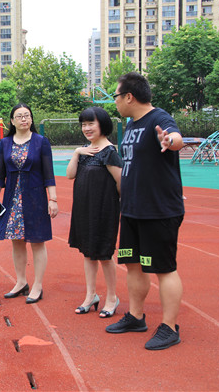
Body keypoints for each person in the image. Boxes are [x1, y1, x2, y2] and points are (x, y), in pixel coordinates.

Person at [105, 72, 185, 350]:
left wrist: (170, 141)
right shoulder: (130, 125)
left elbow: (175, 137)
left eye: (116, 96)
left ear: (129, 96)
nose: (115, 101)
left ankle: (170, 327)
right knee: (133, 265)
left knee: (164, 269)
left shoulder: (158, 118)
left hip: (158, 210)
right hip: (132, 209)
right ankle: (136, 317)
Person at [0, 103, 59, 304]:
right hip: (12, 199)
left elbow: (49, 174)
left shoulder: (41, 142)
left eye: (27, 115)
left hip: (36, 198)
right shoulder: (4, 143)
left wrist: (53, 199)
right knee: (16, 240)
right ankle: (21, 282)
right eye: (19, 116)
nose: (23, 119)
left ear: (31, 119)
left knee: (37, 241)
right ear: (12, 121)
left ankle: (37, 285)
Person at [67, 107, 122, 318]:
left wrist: (113, 207)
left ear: (103, 125)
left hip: (103, 210)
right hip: (84, 209)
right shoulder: (83, 150)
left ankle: (112, 298)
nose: (86, 128)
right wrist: (76, 153)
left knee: (104, 254)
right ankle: (91, 296)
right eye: (84, 124)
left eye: (91, 123)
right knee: (88, 252)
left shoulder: (109, 152)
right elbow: (70, 175)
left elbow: (120, 183)